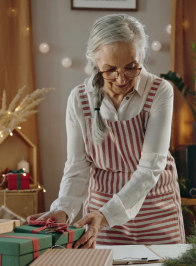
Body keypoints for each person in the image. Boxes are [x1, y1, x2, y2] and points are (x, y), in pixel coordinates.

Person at [29, 14, 185, 248]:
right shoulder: (79, 99)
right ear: (95, 62)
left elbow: (151, 167)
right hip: (99, 217)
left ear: (141, 56)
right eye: (110, 69)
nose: (121, 79)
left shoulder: (160, 92)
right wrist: (63, 210)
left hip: (156, 209)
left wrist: (107, 215)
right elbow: (77, 168)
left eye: (131, 67)